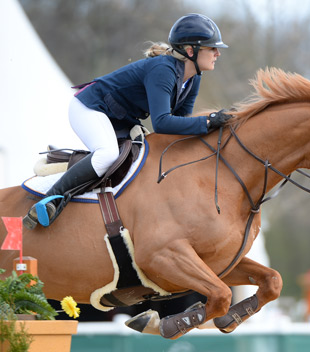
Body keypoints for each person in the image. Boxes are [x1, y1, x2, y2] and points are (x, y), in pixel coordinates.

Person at [23, 13, 232, 229]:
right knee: (108, 154)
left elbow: (180, 123)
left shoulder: (193, 78)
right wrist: (207, 122)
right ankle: (50, 199)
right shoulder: (164, 70)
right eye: (212, 48)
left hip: (119, 118)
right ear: (191, 51)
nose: (217, 53)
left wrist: (211, 126)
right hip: (89, 108)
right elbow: (162, 123)